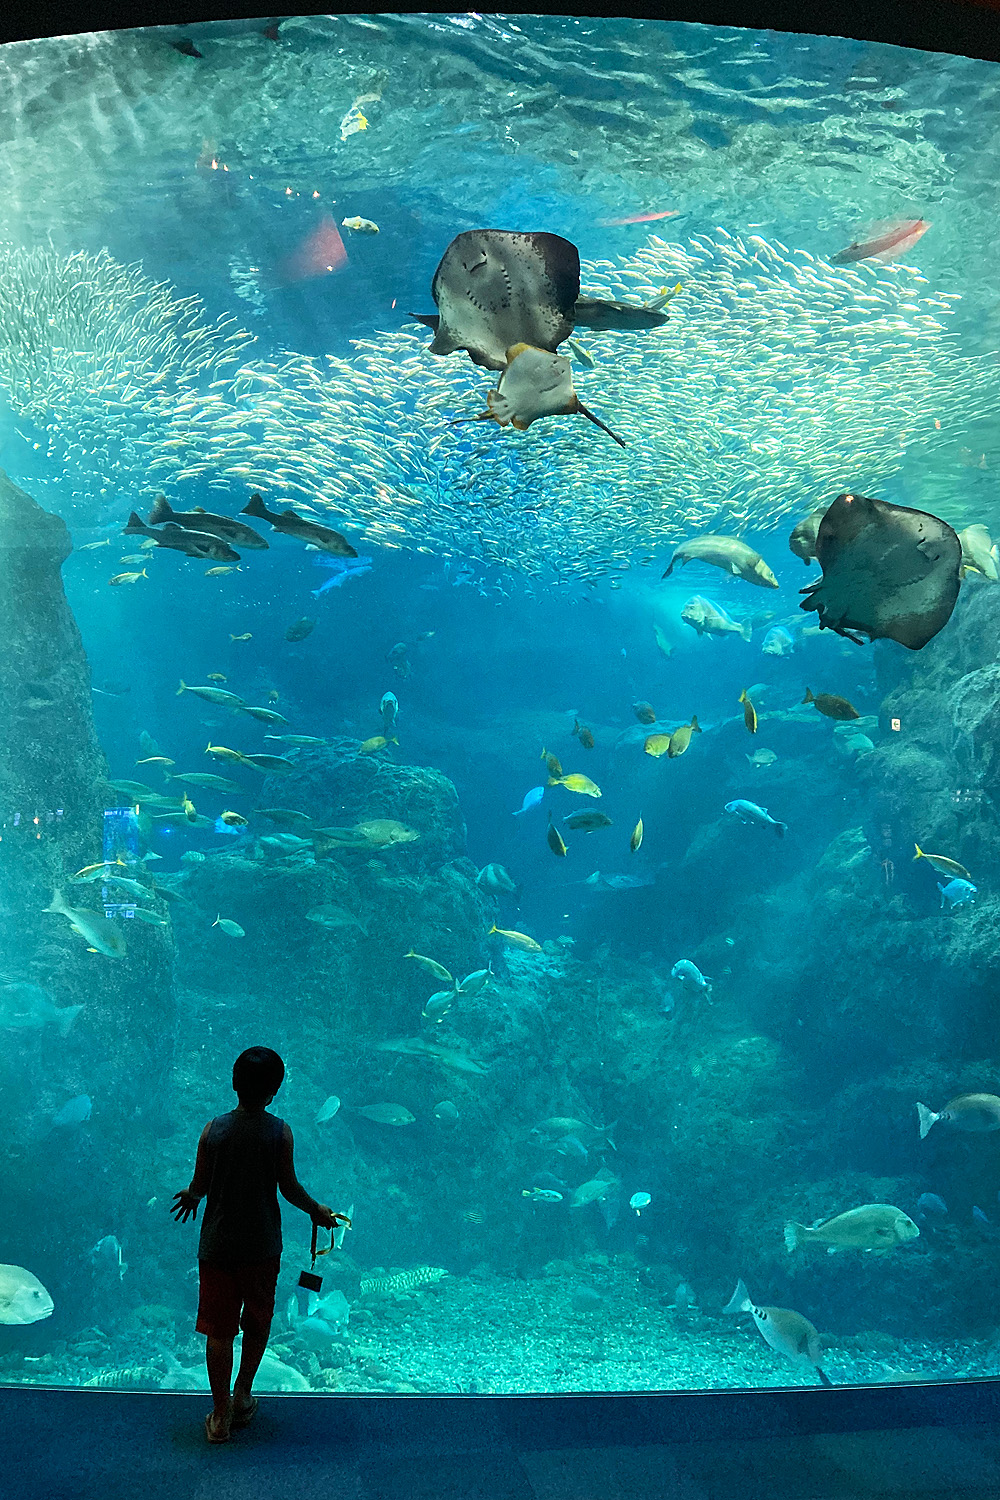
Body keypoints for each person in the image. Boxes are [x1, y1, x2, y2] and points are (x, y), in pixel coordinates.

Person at [171, 1046, 349, 1443]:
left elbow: (199, 1184)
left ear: (234, 1083)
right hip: (261, 1248)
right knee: (256, 1322)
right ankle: (243, 1395)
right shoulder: (279, 1132)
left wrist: (190, 1196)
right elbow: (288, 1187)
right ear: (275, 1091)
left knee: (219, 1331)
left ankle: (219, 1416)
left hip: (217, 1248)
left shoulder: (212, 1129)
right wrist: (316, 1209)